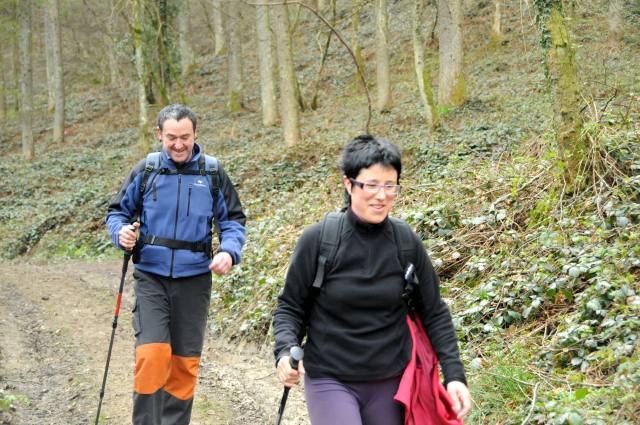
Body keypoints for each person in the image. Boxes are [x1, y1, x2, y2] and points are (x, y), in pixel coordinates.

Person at [273, 135, 471, 425]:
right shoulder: (319, 241)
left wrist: (454, 375)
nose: (382, 195)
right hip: (330, 377)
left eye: (390, 185)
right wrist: (284, 350)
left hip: (391, 382)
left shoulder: (405, 242)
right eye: (372, 185)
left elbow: (434, 310)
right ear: (349, 184)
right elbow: (290, 306)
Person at [106, 104, 246, 425]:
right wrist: (121, 233)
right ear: (159, 134)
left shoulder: (212, 173)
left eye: (185, 137)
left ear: (196, 134)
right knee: (152, 356)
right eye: (172, 137)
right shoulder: (147, 170)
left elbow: (233, 221)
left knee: (184, 365)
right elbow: (117, 213)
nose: (179, 145)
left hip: (195, 280)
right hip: (151, 277)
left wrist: (229, 251)